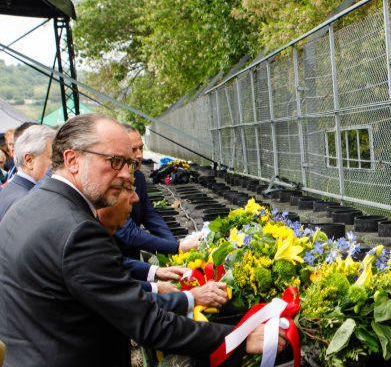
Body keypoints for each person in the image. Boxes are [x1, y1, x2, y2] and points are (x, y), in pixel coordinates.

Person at [0, 114, 277, 366]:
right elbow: (148, 324)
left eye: (129, 163)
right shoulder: (76, 229)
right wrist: (240, 338)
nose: (124, 175)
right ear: (73, 160)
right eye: (114, 162)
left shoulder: (29, 206)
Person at [97, 178, 228, 315]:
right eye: (128, 189)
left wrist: (158, 268)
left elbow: (149, 214)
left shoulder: (137, 176)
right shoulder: (83, 230)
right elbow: (116, 287)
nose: (136, 198)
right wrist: (188, 297)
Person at [115, 123, 198, 257]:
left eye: (141, 148)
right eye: (133, 150)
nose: (140, 155)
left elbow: (149, 214)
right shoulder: (111, 185)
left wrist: (171, 243)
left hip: (132, 256)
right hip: (116, 259)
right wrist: (175, 247)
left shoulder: (139, 177)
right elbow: (127, 231)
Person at [0, 125, 55, 222]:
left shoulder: (11, 189)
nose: (58, 163)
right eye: (52, 158)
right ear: (29, 160)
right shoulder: (29, 199)